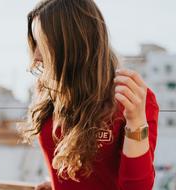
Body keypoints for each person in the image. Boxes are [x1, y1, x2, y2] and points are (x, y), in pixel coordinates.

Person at [21, 0, 159, 189]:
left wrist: (136, 122)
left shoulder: (128, 98)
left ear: (72, 45)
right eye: (34, 43)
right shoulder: (49, 92)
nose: (36, 55)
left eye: (43, 43)